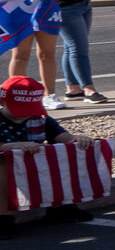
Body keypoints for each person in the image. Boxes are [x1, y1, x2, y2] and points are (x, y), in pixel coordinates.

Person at [1, 73, 101, 221]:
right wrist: (12, 146)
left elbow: (63, 137)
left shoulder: (40, 119)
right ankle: (3, 217)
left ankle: (61, 205)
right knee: (1, 162)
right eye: (20, 109)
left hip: (30, 170)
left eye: (28, 109)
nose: (24, 115)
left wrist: (76, 139)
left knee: (66, 151)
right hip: (7, 172)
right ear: (2, 102)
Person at [56, 0, 104, 103]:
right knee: (78, 48)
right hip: (66, 6)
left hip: (84, 3)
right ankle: (88, 89)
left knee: (70, 48)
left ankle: (73, 89)